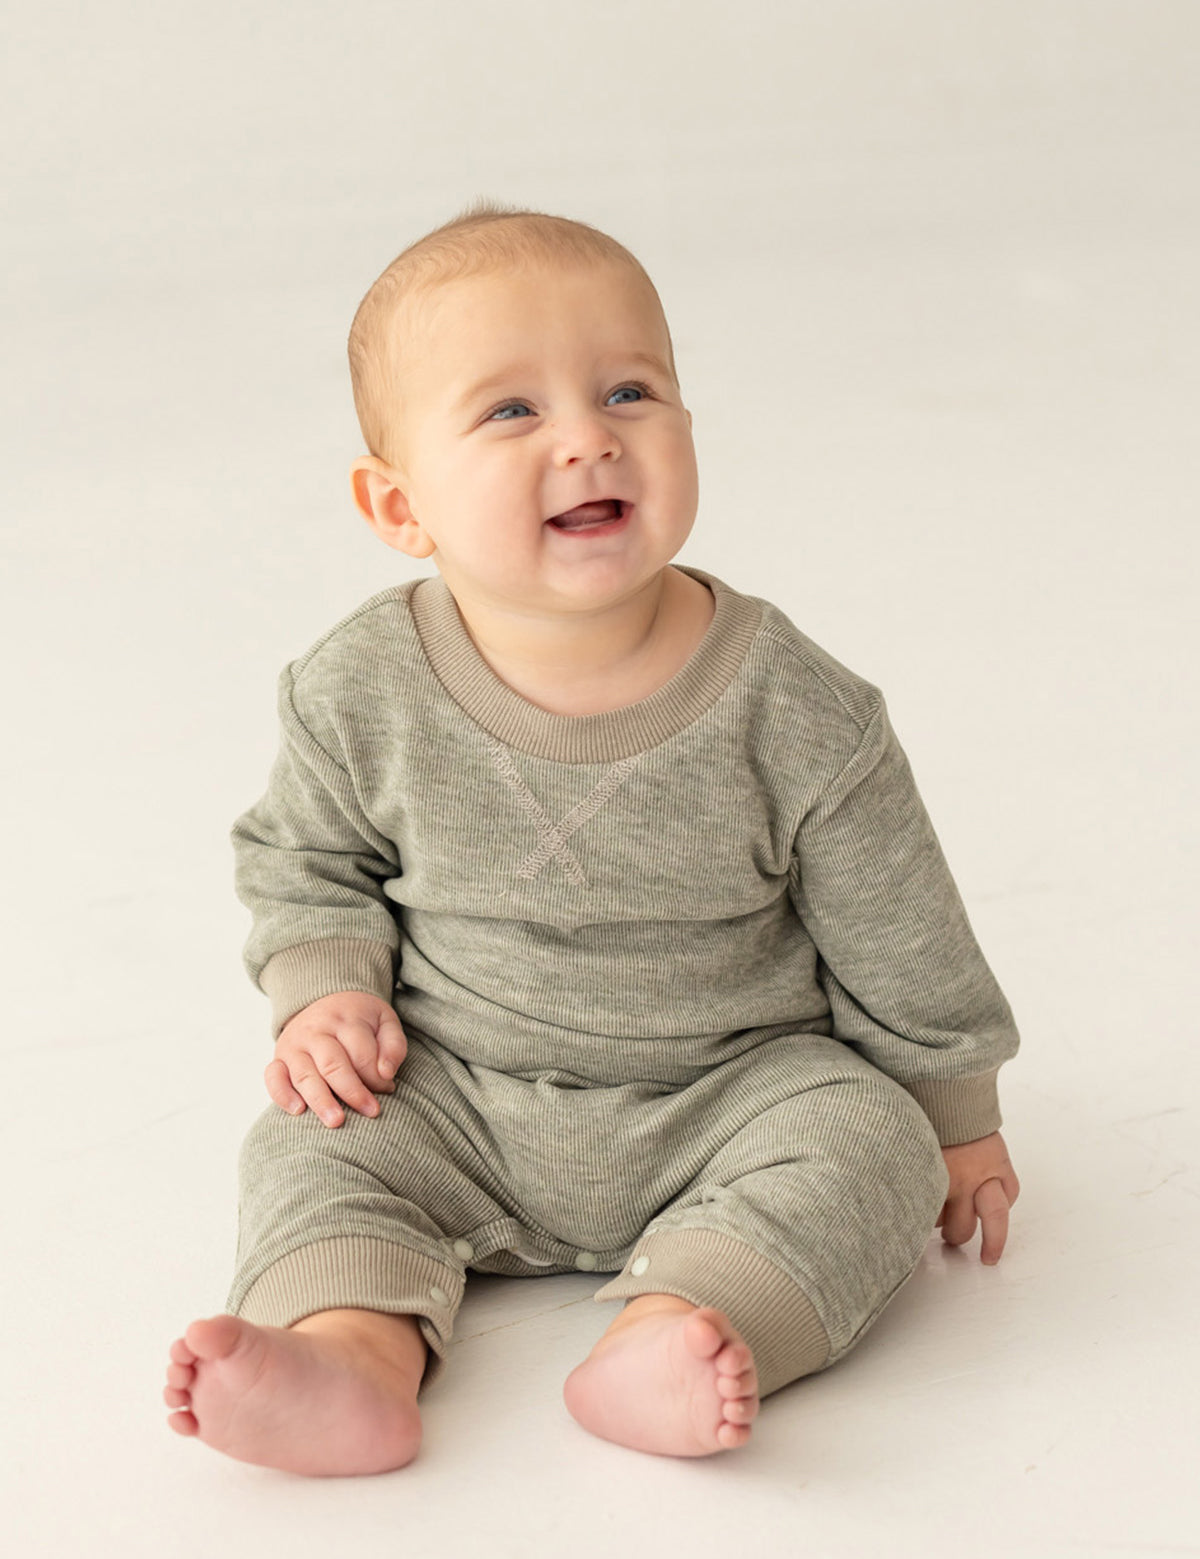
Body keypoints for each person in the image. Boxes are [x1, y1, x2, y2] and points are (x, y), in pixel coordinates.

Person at [162, 200, 1021, 1475]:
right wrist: (326, 987)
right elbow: (306, 859)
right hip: (453, 1090)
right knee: (309, 1139)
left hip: (729, 1094)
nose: (588, 438)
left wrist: (955, 1107)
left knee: (869, 1140)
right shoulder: (359, 687)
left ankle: (681, 1326)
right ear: (398, 503)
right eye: (513, 410)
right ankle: (349, 1351)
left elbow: (901, 923)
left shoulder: (793, 703)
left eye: (630, 391)